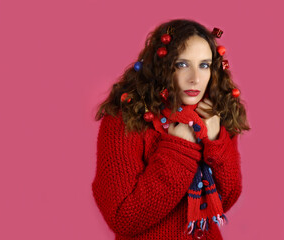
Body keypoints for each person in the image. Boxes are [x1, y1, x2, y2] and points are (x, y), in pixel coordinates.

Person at [91, 19, 250, 240]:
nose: (195, 78)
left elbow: (224, 201)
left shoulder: (212, 115)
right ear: (161, 66)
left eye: (204, 65)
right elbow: (122, 218)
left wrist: (216, 142)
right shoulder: (124, 119)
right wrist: (178, 150)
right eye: (182, 64)